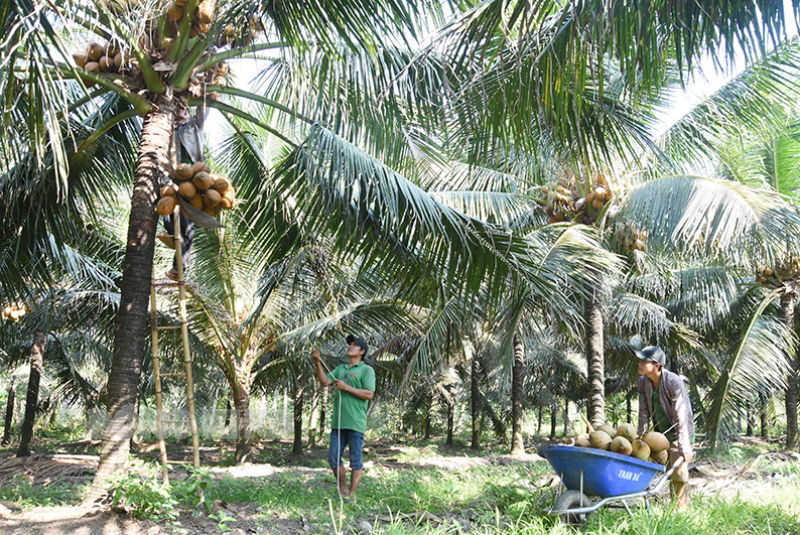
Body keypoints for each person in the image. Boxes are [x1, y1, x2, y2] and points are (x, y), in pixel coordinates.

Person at [311, 335, 375, 499]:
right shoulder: (341, 369)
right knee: (333, 458)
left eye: (354, 345)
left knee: (355, 460)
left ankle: (352, 497)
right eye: (349, 345)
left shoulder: (366, 370)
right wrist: (318, 362)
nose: (350, 347)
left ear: (362, 351)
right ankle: (343, 490)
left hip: (356, 423)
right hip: (338, 423)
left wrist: (346, 387)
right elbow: (325, 382)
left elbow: (369, 394)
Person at [636, 345, 695, 508]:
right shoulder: (643, 382)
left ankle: (680, 511)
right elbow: (643, 412)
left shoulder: (673, 382)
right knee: (665, 469)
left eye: (644, 361)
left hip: (680, 432)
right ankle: (670, 505)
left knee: (679, 472)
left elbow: (681, 416)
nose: (639, 363)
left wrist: (684, 445)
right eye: (639, 360)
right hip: (661, 433)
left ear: (657, 365)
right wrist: (640, 438)